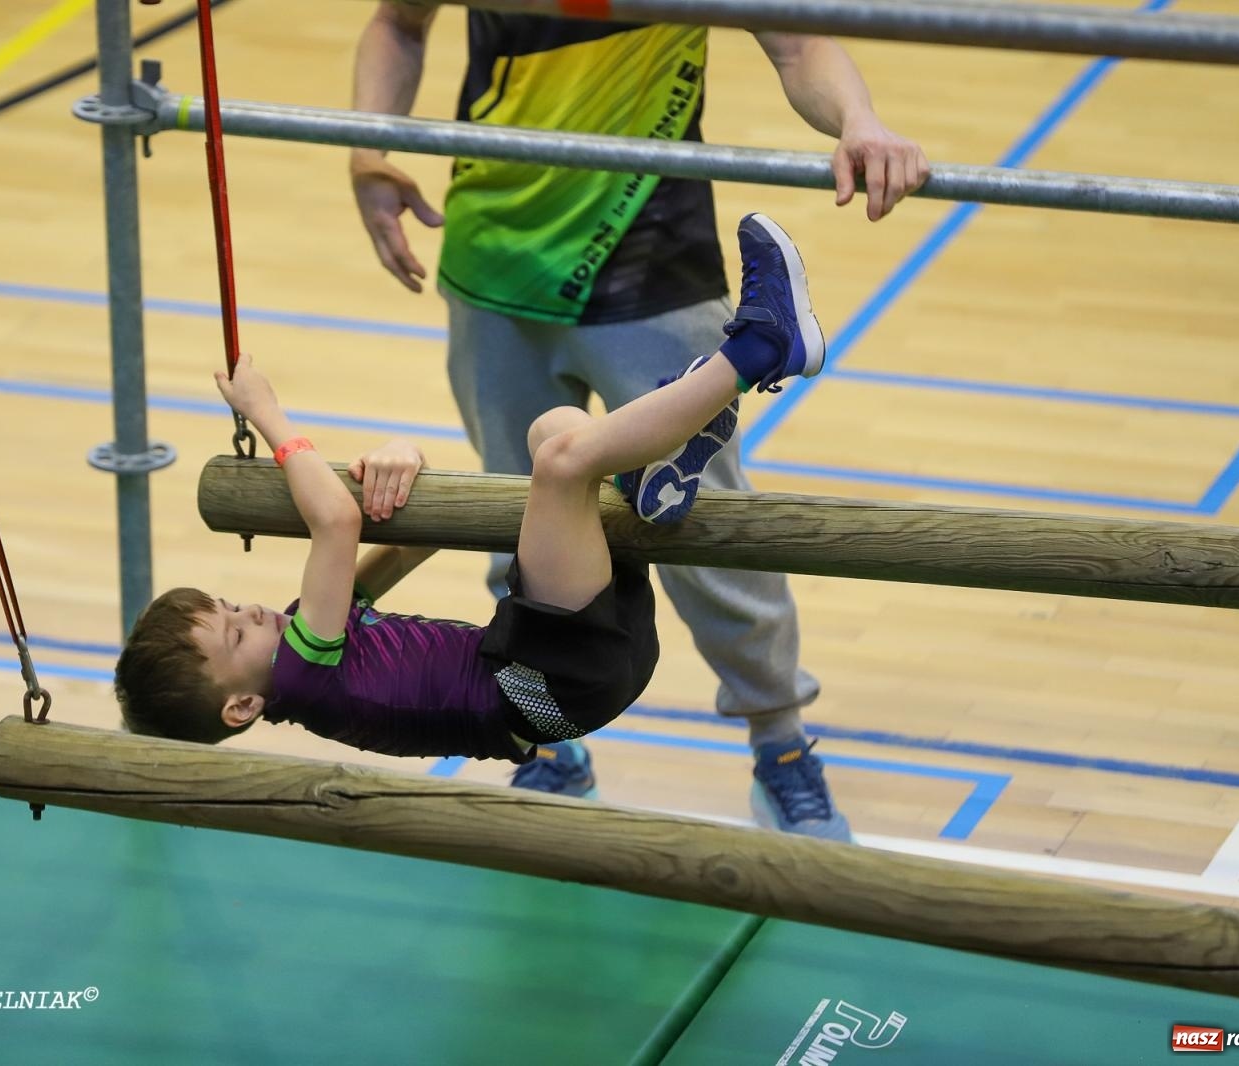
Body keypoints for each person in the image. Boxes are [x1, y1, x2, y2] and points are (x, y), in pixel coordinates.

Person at [350, 3, 928, 838]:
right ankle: (544, 738)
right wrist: (367, 151)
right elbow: (398, 26)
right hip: (492, 265)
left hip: (658, 264)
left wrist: (858, 119)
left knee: (708, 533)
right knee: (518, 521)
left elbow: (796, 41)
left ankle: (782, 743)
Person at [115, 215, 826, 772]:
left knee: (554, 430)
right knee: (562, 465)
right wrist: (269, 415)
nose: (254, 612)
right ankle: (761, 349)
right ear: (242, 705)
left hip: (575, 673)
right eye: (237, 631)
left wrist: (402, 462)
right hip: (551, 681)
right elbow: (334, 520)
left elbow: (406, 540)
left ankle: (647, 475)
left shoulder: (314, 648)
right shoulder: (305, 673)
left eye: (234, 605)